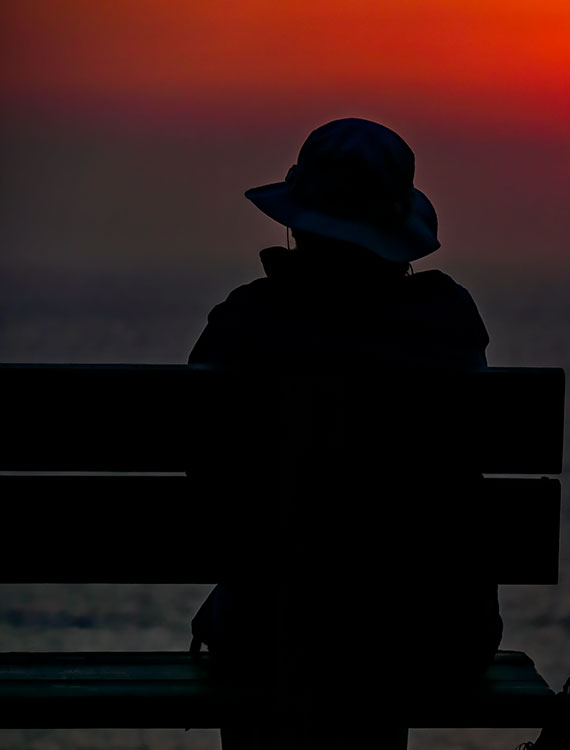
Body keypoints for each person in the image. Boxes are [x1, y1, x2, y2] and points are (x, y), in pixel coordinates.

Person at [188, 117, 502, 748]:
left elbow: (202, 479)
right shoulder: (447, 323)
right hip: (427, 636)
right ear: (396, 229)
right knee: (370, 625)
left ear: (298, 220)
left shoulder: (246, 322)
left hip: (268, 633)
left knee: (278, 630)